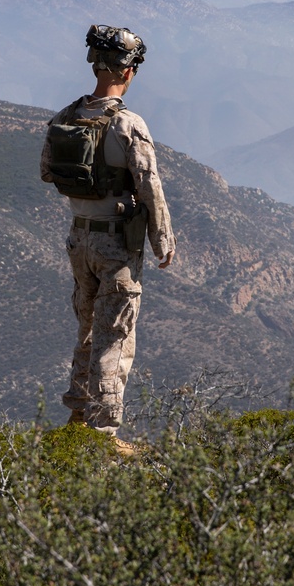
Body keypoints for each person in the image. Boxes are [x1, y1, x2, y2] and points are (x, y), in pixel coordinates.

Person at [40, 24, 175, 438]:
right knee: (114, 336)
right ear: (129, 71)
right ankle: (103, 433)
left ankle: (77, 418)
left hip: (78, 238)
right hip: (116, 244)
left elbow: (47, 172)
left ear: (94, 63)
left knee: (86, 329)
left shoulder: (66, 116)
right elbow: (150, 184)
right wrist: (162, 238)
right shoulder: (128, 124)